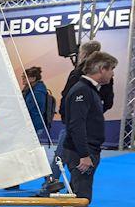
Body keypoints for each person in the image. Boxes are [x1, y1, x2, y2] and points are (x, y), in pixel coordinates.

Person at [53, 51, 117, 207]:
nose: (112, 74)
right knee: (81, 197)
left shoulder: (90, 90)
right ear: (101, 69)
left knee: (73, 194)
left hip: (85, 149)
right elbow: (76, 125)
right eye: (111, 69)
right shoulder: (82, 90)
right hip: (83, 152)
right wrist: (84, 155)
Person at [40, 40, 114, 196]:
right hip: (82, 128)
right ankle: (59, 191)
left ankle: (51, 189)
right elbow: (108, 102)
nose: (112, 73)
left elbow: (66, 97)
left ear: (84, 54)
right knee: (69, 162)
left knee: (61, 158)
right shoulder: (86, 79)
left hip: (75, 126)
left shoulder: (78, 74)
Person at [22, 66, 49, 141]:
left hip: (34, 125)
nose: (23, 79)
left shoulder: (37, 92)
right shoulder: (30, 89)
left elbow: (25, 107)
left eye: (25, 77)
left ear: (33, 78)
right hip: (32, 124)